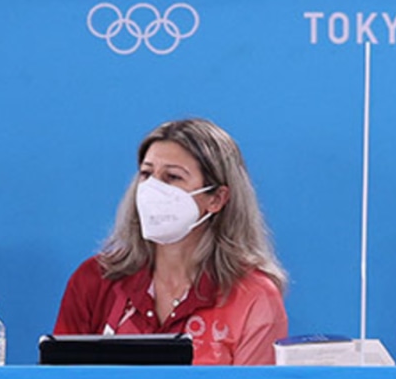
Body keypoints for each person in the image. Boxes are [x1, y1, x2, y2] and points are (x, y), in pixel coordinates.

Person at [55, 118, 288, 366]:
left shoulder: (253, 296)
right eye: (146, 174)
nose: (153, 189)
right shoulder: (95, 280)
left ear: (217, 199)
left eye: (172, 177)